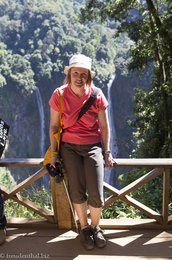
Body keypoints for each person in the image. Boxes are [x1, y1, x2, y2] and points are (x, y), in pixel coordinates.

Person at [49, 54, 114, 250]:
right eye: (75, 73)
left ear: (88, 77)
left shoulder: (97, 94)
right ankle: (84, 228)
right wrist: (54, 152)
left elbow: (104, 125)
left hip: (93, 145)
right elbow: (53, 126)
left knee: (96, 192)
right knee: (76, 190)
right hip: (68, 148)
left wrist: (107, 152)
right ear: (69, 74)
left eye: (83, 74)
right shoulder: (59, 95)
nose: (79, 77)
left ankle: (96, 227)